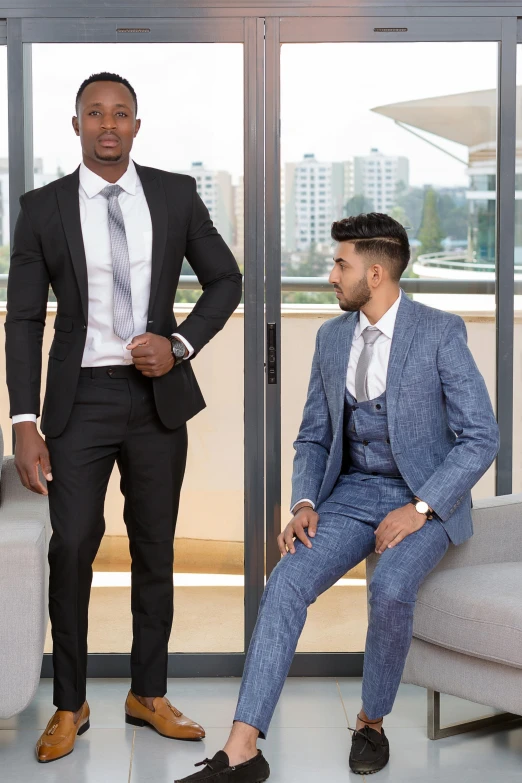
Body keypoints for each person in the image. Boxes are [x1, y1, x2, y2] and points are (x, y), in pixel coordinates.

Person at [175, 212, 500, 782]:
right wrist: (303, 503)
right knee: (287, 580)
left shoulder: (439, 332)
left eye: (340, 263)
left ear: (375, 273)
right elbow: (314, 435)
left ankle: (370, 723)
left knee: (393, 586)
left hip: (420, 497)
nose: (330, 275)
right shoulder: (331, 338)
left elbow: (482, 435)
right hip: (351, 493)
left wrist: (421, 507)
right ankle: (243, 746)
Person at [5, 71, 242, 764]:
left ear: (138, 124)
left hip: (156, 399)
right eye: (94, 113)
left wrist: (179, 344)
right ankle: (70, 703)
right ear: (75, 124)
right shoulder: (42, 208)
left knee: (155, 547)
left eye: (121, 113)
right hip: (77, 403)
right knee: (71, 544)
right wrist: (24, 419)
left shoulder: (175, 195)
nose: (108, 124)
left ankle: (148, 692)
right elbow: (23, 319)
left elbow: (225, 278)